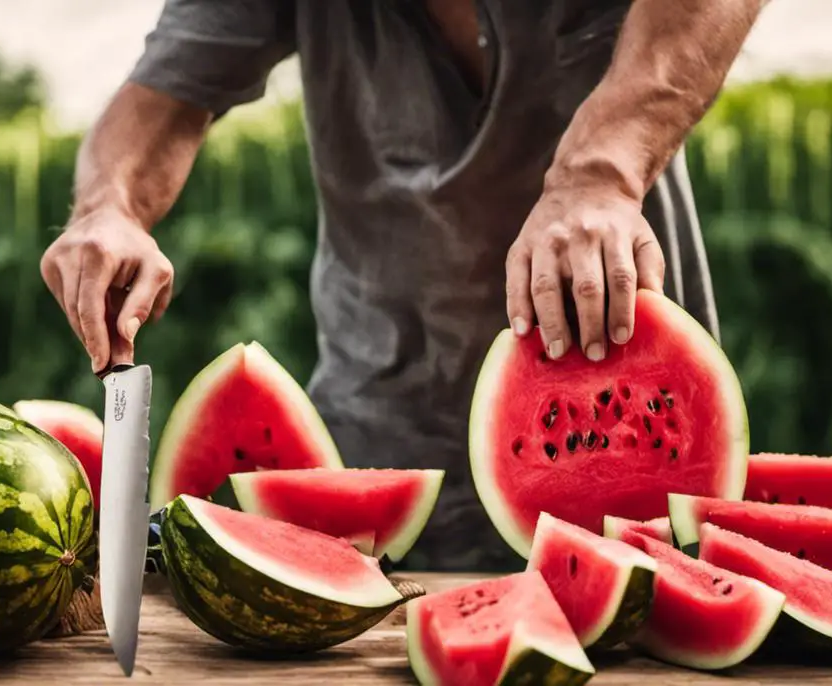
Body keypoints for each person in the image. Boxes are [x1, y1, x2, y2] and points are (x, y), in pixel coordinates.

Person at [40, 0, 768, 571]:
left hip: (638, 425)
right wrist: (109, 209)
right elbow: (161, 98)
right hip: (378, 430)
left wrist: (599, 174)